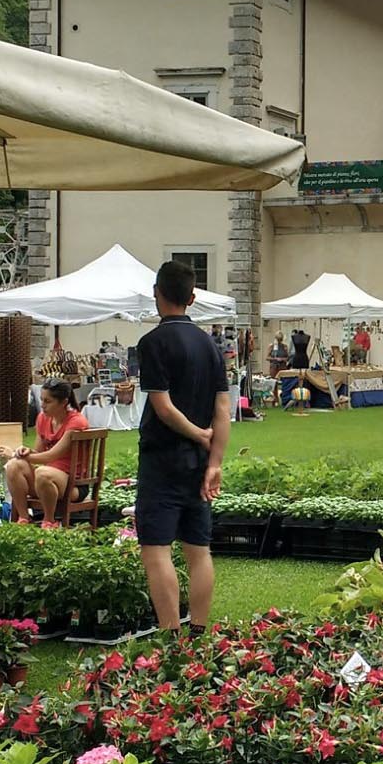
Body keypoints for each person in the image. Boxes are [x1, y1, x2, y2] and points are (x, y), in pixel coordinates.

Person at [136, 259, 231, 634]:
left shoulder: (152, 343)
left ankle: (171, 633)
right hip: (199, 462)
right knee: (198, 548)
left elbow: (162, 406)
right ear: (192, 298)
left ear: (156, 294)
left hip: (162, 461)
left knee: (156, 549)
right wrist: (215, 461)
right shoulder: (211, 346)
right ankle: (200, 630)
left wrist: (197, 434)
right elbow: (222, 408)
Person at [6, 378, 91, 527]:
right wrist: (24, 451)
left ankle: (49, 520)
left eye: (48, 401)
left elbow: (51, 455)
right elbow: (38, 452)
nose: (42, 405)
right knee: (13, 465)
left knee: (42, 473)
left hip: (73, 486)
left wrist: (17, 454)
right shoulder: (43, 418)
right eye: (41, 400)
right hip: (47, 482)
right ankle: (24, 518)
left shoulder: (76, 422)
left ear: (64, 402)